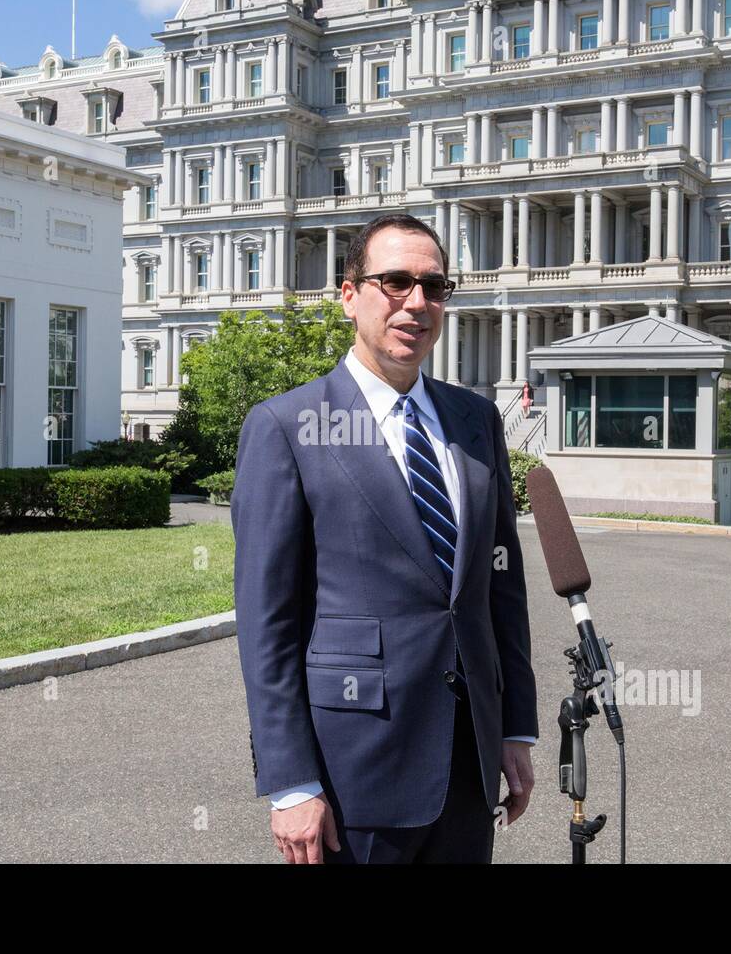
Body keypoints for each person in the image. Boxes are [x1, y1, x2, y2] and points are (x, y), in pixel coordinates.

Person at [231, 213, 539, 864]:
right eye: (395, 282)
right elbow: (268, 623)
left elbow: (498, 588)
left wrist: (515, 727)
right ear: (349, 295)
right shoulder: (287, 426)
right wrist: (290, 781)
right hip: (351, 777)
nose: (417, 302)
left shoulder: (476, 419)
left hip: (467, 766)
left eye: (434, 286)